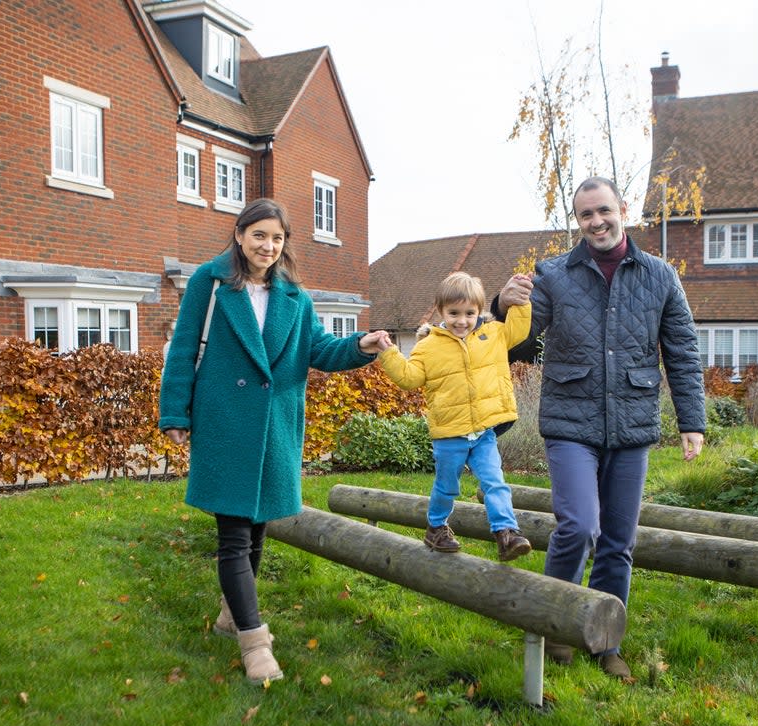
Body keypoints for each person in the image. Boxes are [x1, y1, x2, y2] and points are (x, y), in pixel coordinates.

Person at [159, 198, 390, 686]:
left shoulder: (294, 297)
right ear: (240, 234)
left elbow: (319, 350)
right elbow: (183, 347)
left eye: (277, 238)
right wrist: (175, 411)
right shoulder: (211, 281)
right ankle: (254, 642)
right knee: (234, 534)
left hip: (275, 424)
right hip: (226, 421)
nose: (268, 245)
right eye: (259, 235)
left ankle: (229, 615)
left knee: (258, 526)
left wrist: (361, 345)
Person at [493, 176, 706, 680]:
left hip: (632, 423)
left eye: (603, 211)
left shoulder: (660, 276)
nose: (596, 222)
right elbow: (517, 343)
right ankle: (554, 624)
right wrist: (503, 306)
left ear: (622, 209)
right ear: (578, 220)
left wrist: (692, 422)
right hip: (570, 421)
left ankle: (605, 640)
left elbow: (682, 351)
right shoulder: (553, 274)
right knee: (580, 526)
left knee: (618, 540)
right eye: (586, 215)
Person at [373, 271, 534, 562]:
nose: (462, 320)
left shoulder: (493, 335)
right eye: (454, 313)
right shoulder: (428, 347)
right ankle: (436, 527)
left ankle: (506, 533)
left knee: (495, 482)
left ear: (479, 310)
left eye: (470, 313)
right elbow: (409, 378)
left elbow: (520, 331)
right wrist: (389, 353)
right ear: (441, 311)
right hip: (449, 435)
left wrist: (521, 302)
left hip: (483, 432)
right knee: (448, 486)